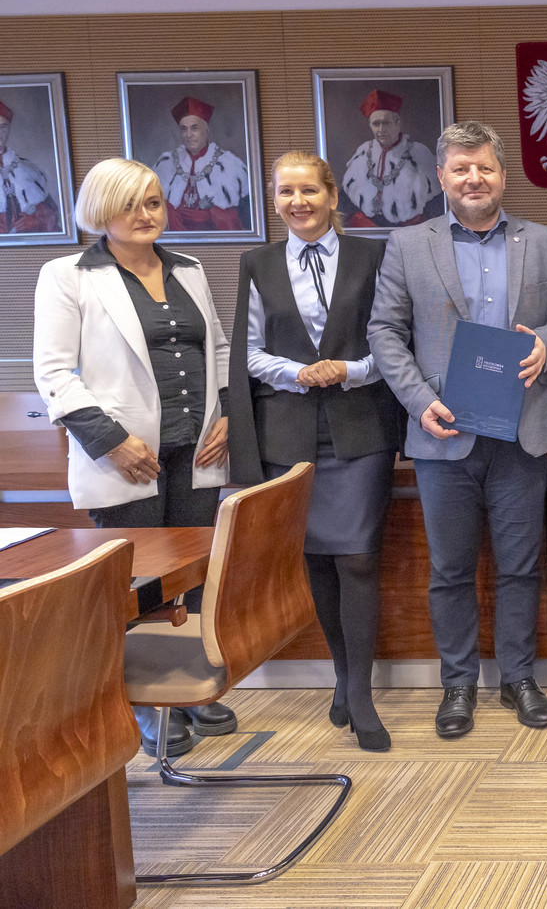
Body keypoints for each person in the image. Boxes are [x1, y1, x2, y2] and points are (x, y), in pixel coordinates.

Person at [367, 120, 547, 738]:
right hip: (442, 431)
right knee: (451, 570)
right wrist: (419, 401)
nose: (473, 179)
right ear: (442, 176)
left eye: (485, 167)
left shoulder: (544, 241)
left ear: (503, 175)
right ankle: (457, 684)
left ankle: (518, 678)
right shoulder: (408, 244)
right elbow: (384, 331)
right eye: (461, 168)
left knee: (520, 566)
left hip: (521, 431)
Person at [33, 157, 235, 758]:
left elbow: (218, 348)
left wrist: (227, 415)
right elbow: (53, 373)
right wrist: (113, 441)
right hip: (125, 457)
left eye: (153, 202)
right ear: (101, 211)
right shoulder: (68, 275)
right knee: (134, 585)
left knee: (193, 574)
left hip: (196, 449)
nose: (146, 215)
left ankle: (188, 686)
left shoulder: (188, 268)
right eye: (129, 205)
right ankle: (143, 706)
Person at [229, 151, 403, 752]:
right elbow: (248, 351)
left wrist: (349, 370)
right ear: (274, 200)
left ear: (332, 195)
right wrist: (296, 373)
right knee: (318, 561)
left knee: (357, 559)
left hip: (361, 430)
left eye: (309, 190)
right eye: (285, 192)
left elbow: (395, 339)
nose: (298, 202)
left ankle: (361, 693)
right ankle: (341, 675)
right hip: (289, 433)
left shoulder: (373, 256)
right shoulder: (256, 263)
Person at [340, 89, 443, 229]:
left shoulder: (418, 152)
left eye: (386, 123)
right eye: (376, 124)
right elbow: (348, 193)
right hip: (368, 227)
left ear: (398, 123)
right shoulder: (363, 152)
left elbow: (437, 197)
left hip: (410, 228)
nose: (381, 129)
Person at [151, 96, 251, 233]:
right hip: (177, 236)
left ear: (206, 130)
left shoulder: (228, 163)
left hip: (215, 236)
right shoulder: (167, 162)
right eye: (183, 129)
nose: (188, 135)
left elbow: (240, 217)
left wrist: (212, 211)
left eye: (194, 128)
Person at [0, 98, 60, 234]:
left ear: (9, 129)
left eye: (3, 127)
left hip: (30, 241)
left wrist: (36, 221)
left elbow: (52, 214)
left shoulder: (27, 168)